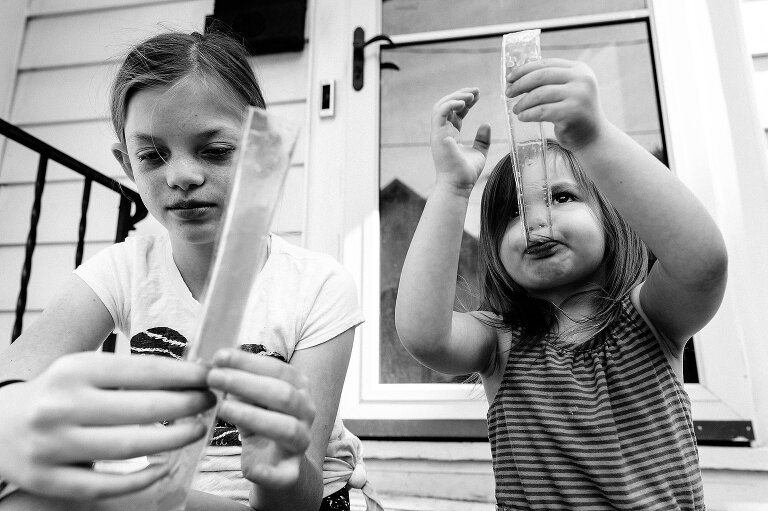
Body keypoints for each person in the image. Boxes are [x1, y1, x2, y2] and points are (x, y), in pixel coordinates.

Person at [0, 30, 381, 511]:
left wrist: (275, 466)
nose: (181, 175)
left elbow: (296, 501)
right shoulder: (124, 268)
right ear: (126, 164)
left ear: (261, 151)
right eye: (152, 155)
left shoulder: (318, 286)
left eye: (215, 150)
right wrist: (11, 415)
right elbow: (14, 375)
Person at [395, 58, 727, 509]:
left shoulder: (651, 319)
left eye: (562, 196)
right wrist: (452, 189)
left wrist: (594, 136)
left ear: (611, 218)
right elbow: (423, 335)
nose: (536, 220)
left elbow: (702, 263)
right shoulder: (501, 340)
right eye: (513, 211)